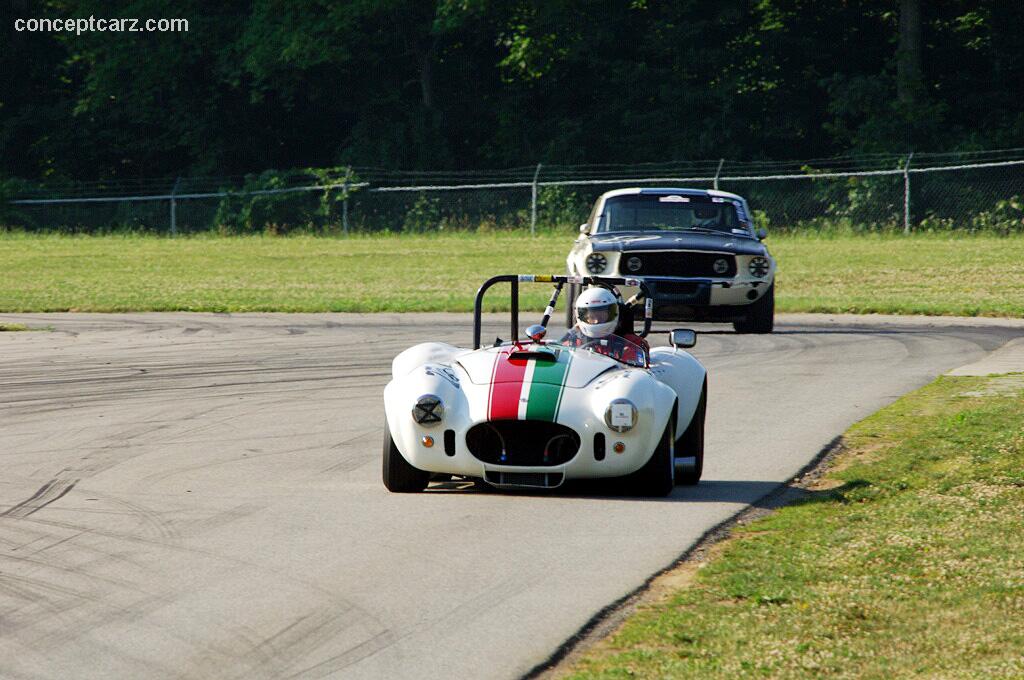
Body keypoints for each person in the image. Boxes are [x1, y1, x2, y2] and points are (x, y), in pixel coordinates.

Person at [564, 287, 649, 365]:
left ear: (613, 314)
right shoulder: (572, 344)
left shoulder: (633, 344)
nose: (597, 321)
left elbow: (634, 372)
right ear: (581, 316)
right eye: (592, 317)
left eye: (601, 316)